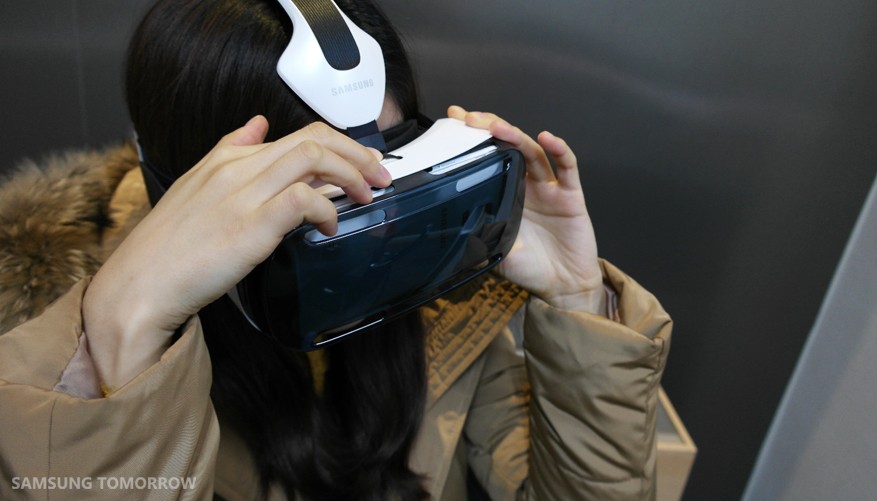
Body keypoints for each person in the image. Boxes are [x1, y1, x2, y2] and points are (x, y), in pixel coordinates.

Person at [0, 0, 672, 499]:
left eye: (389, 164)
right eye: (318, 192)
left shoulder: (447, 291)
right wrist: (123, 338)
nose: (376, 224)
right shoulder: (42, 378)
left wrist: (577, 296)